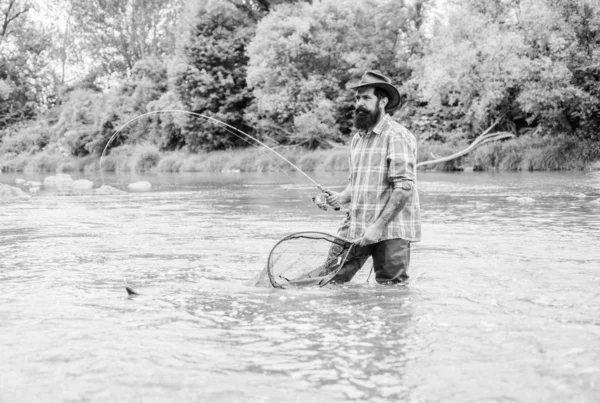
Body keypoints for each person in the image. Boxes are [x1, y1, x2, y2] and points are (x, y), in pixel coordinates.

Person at [323, 71, 421, 284]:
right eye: (357, 98)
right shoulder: (358, 139)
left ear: (383, 101)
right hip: (356, 225)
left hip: (391, 231)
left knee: (391, 291)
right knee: (330, 279)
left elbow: (404, 187)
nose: (359, 103)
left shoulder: (397, 135)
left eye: (366, 97)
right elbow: (356, 182)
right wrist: (340, 198)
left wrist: (377, 227)